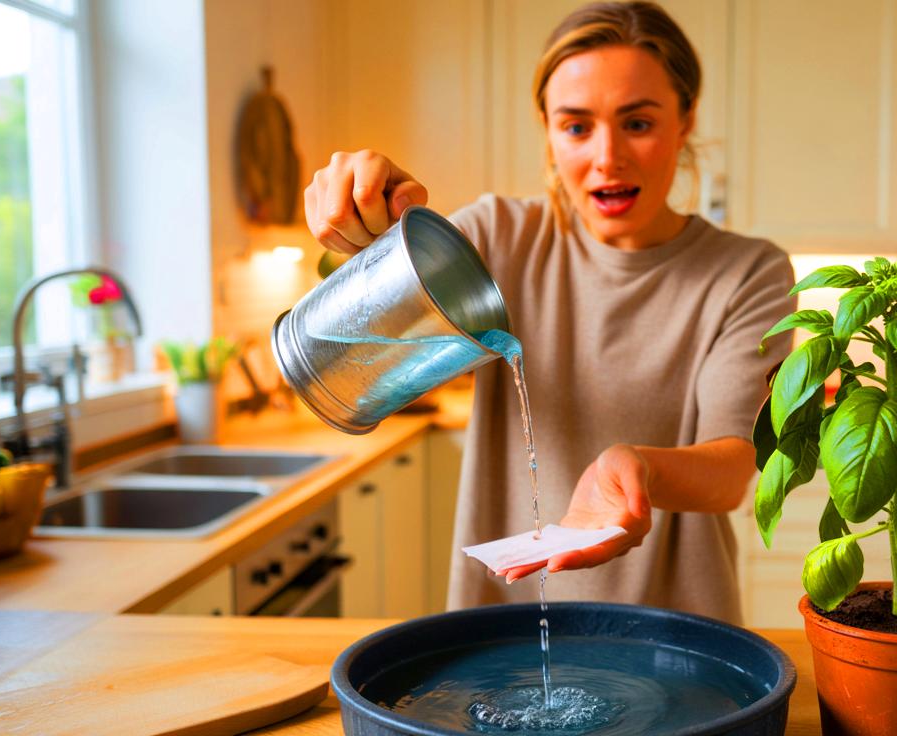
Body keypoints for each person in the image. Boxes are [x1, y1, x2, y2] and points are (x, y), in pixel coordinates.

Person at [304, 1, 793, 625]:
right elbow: (345, 357)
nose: (607, 157)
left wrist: (635, 465)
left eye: (638, 123)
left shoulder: (747, 273)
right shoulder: (497, 238)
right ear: (547, 128)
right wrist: (359, 229)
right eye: (576, 126)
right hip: (500, 623)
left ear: (686, 118)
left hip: (677, 629)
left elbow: (730, 472)